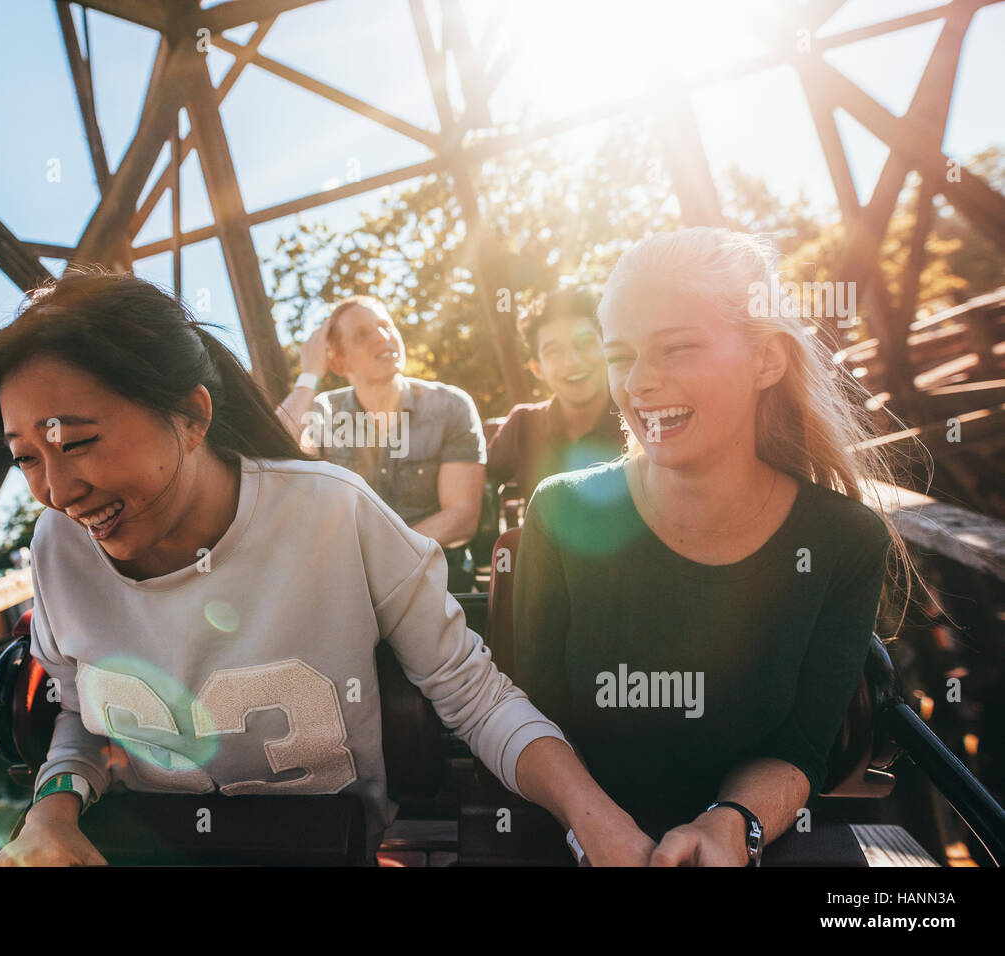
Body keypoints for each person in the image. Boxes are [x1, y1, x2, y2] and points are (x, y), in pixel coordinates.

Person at [0, 270, 596, 866]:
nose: (57, 492)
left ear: (191, 415)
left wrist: (601, 826)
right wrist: (53, 811)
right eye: (27, 458)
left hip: (330, 846)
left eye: (81, 443)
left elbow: (475, 699)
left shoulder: (335, 513)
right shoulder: (57, 547)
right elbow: (77, 716)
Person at [512, 228, 912, 866]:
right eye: (621, 355)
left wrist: (734, 824)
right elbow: (527, 715)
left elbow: (802, 744)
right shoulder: (561, 511)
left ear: (766, 360)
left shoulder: (844, 540)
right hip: (575, 832)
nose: (640, 382)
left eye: (676, 348)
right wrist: (596, 826)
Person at [275, 295, 487, 590]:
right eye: (362, 334)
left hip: (436, 576)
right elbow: (272, 456)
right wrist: (309, 376)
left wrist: (381, 558)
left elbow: (462, 516)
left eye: (386, 326)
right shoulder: (324, 410)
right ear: (336, 362)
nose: (383, 337)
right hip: (350, 583)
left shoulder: (450, 405)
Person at [487, 288, 625, 505]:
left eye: (585, 343)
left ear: (607, 349)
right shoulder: (522, 425)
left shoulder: (639, 418)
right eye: (554, 351)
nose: (572, 361)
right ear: (537, 368)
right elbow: (477, 484)